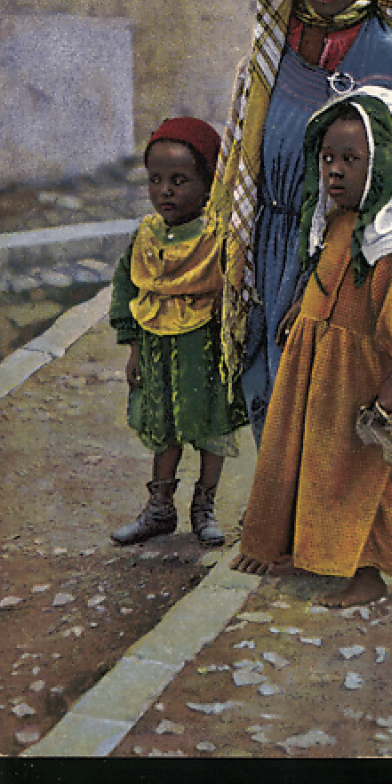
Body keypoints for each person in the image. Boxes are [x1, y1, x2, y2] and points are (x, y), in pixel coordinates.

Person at [204, 0, 392, 443]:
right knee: (263, 383)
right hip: (268, 238)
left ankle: (309, 524)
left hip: (336, 251)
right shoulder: (277, 44)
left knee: (316, 399)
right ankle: (278, 518)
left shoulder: (381, 54)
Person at [230, 86, 392, 608]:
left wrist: (391, 391)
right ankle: (308, 549)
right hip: (321, 368)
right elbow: (326, 271)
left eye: (351, 159)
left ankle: (368, 573)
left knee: (364, 474)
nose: (335, 172)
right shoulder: (341, 220)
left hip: (370, 377)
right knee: (316, 461)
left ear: (387, 161)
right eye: (327, 159)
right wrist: (303, 309)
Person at [109, 116, 247, 547]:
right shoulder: (145, 238)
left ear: (208, 184)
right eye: (156, 180)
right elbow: (126, 290)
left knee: (209, 428)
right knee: (163, 427)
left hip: (203, 354)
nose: (164, 191)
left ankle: (204, 507)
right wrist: (133, 348)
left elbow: (237, 295)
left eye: (179, 180)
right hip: (157, 352)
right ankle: (159, 508)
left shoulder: (218, 237)